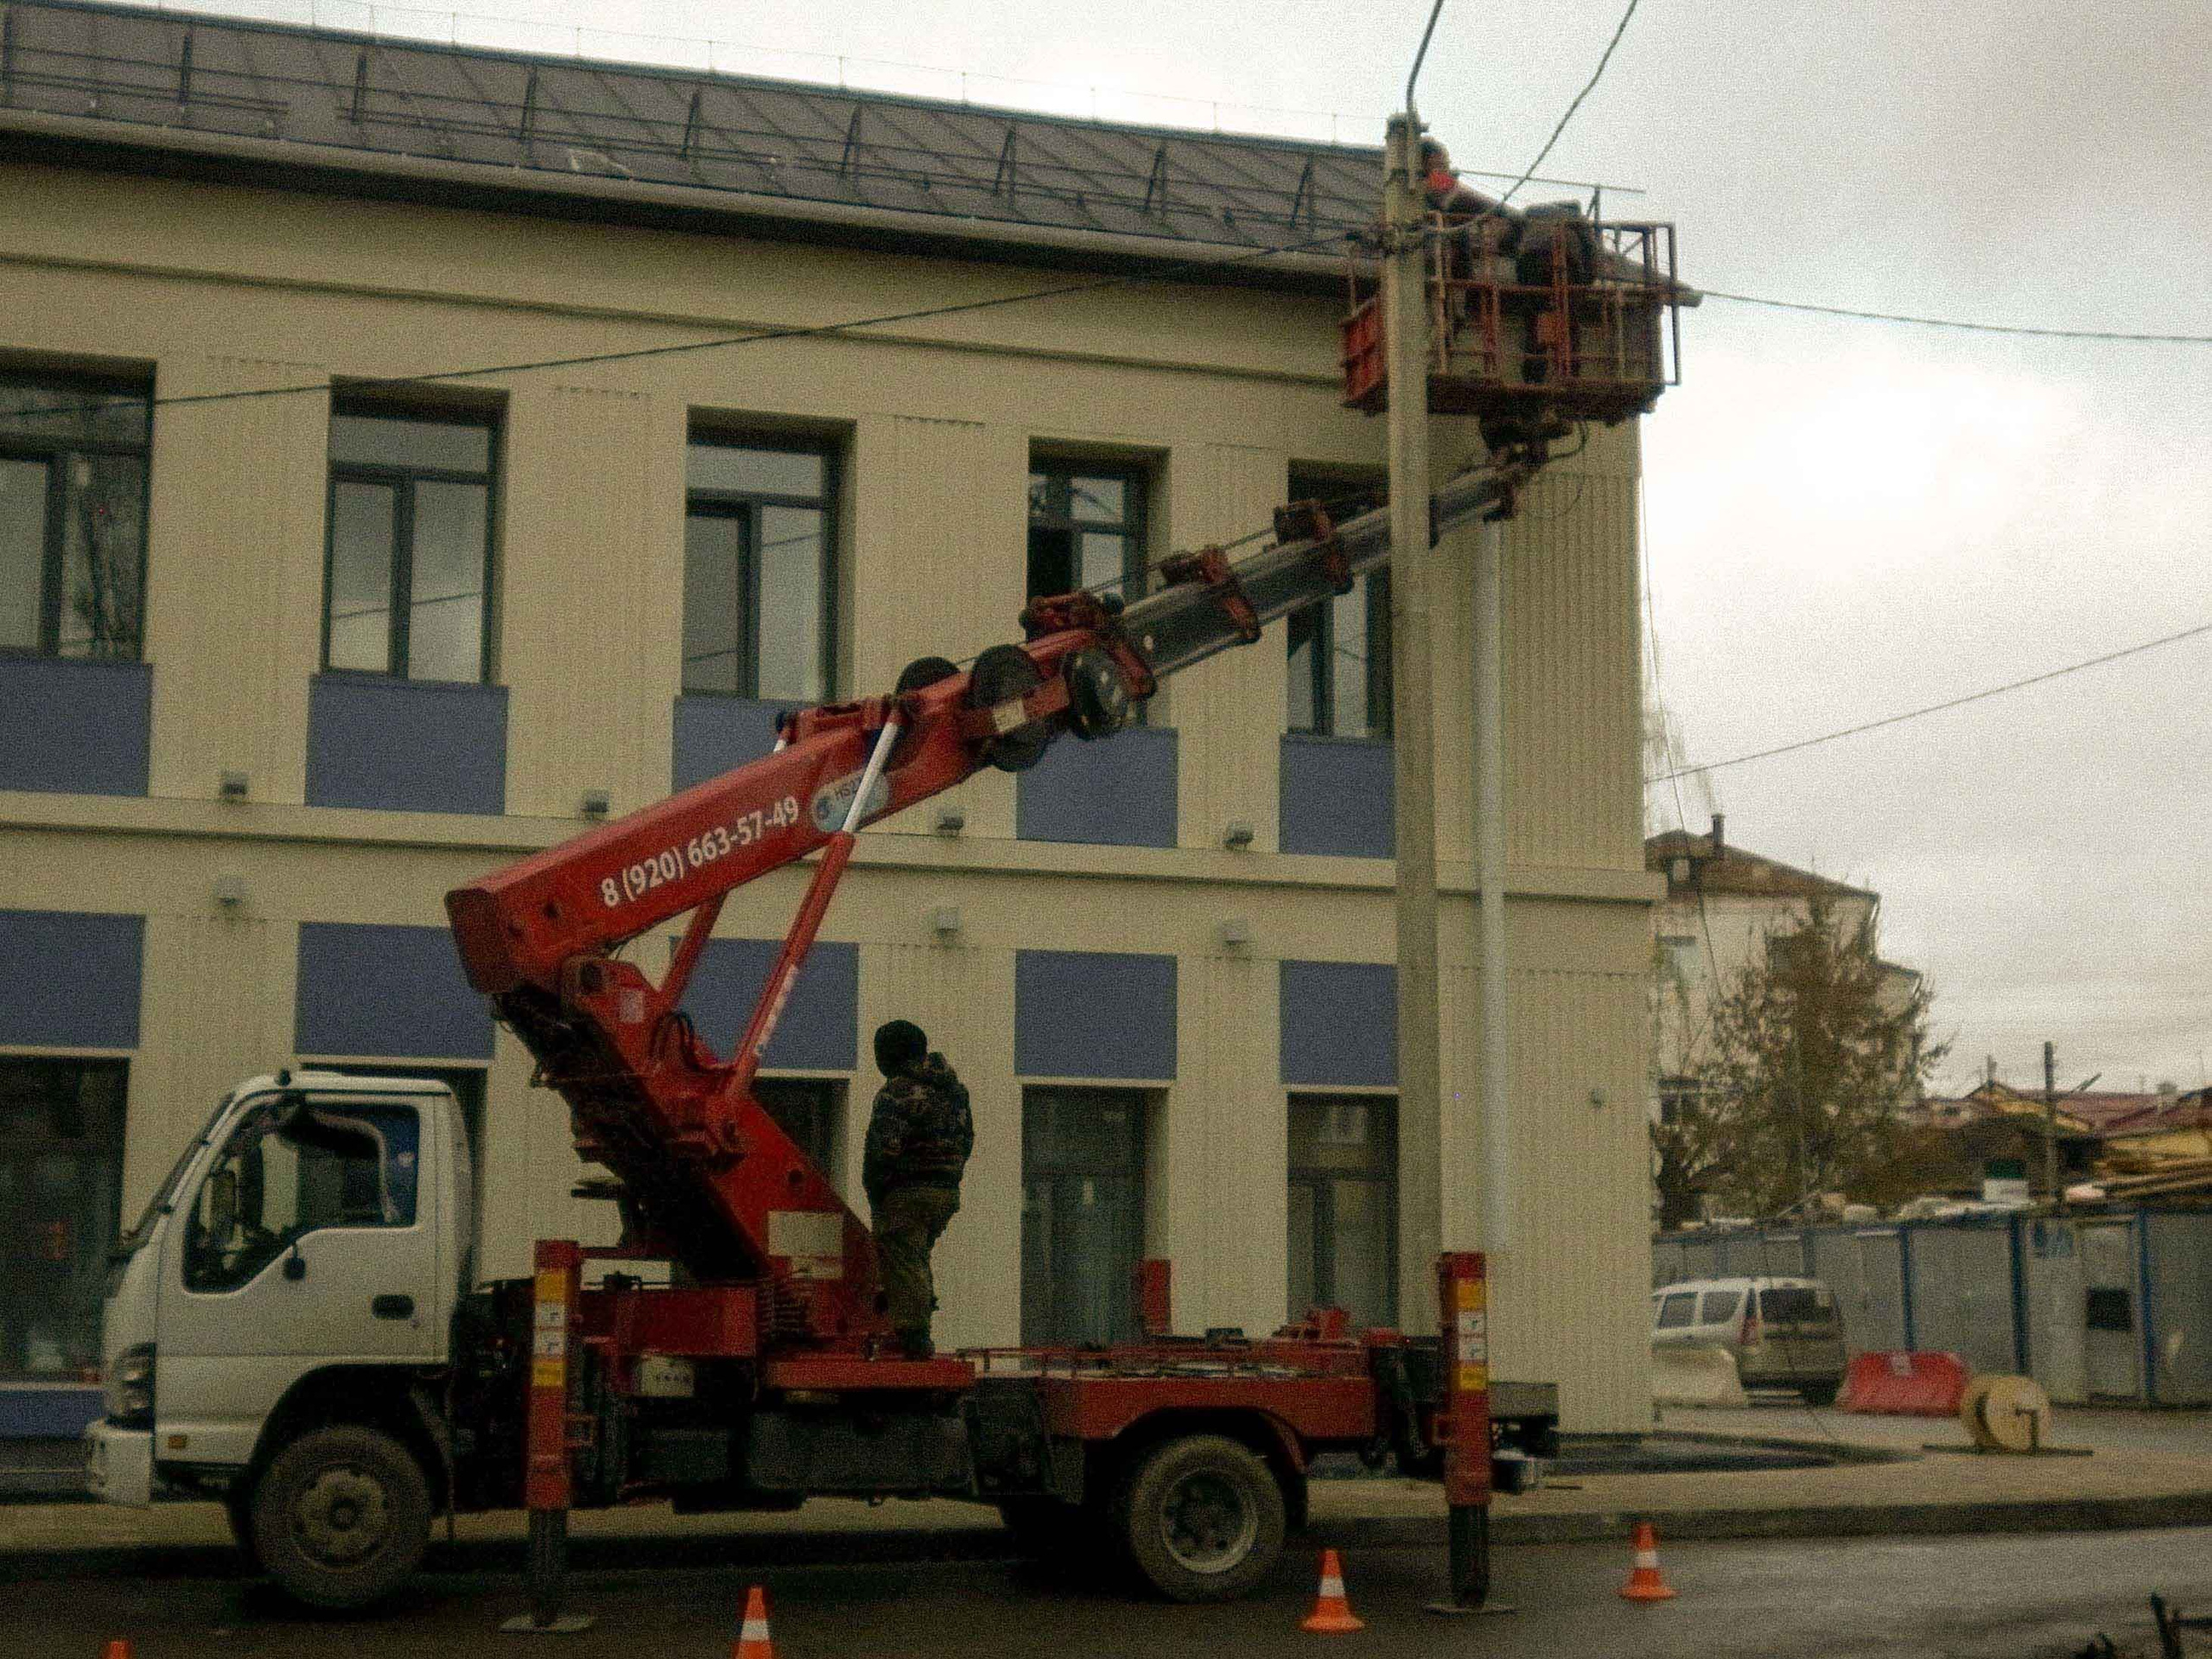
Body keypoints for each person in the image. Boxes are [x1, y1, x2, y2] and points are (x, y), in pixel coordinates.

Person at [862, 1019, 972, 1359]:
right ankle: (918, 1309)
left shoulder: (897, 1091)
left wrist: (876, 1188)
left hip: (907, 1190)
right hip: (946, 1190)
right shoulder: (954, 1090)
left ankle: (914, 1334)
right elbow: (967, 1139)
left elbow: (884, 1149)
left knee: (903, 1255)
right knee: (916, 1255)